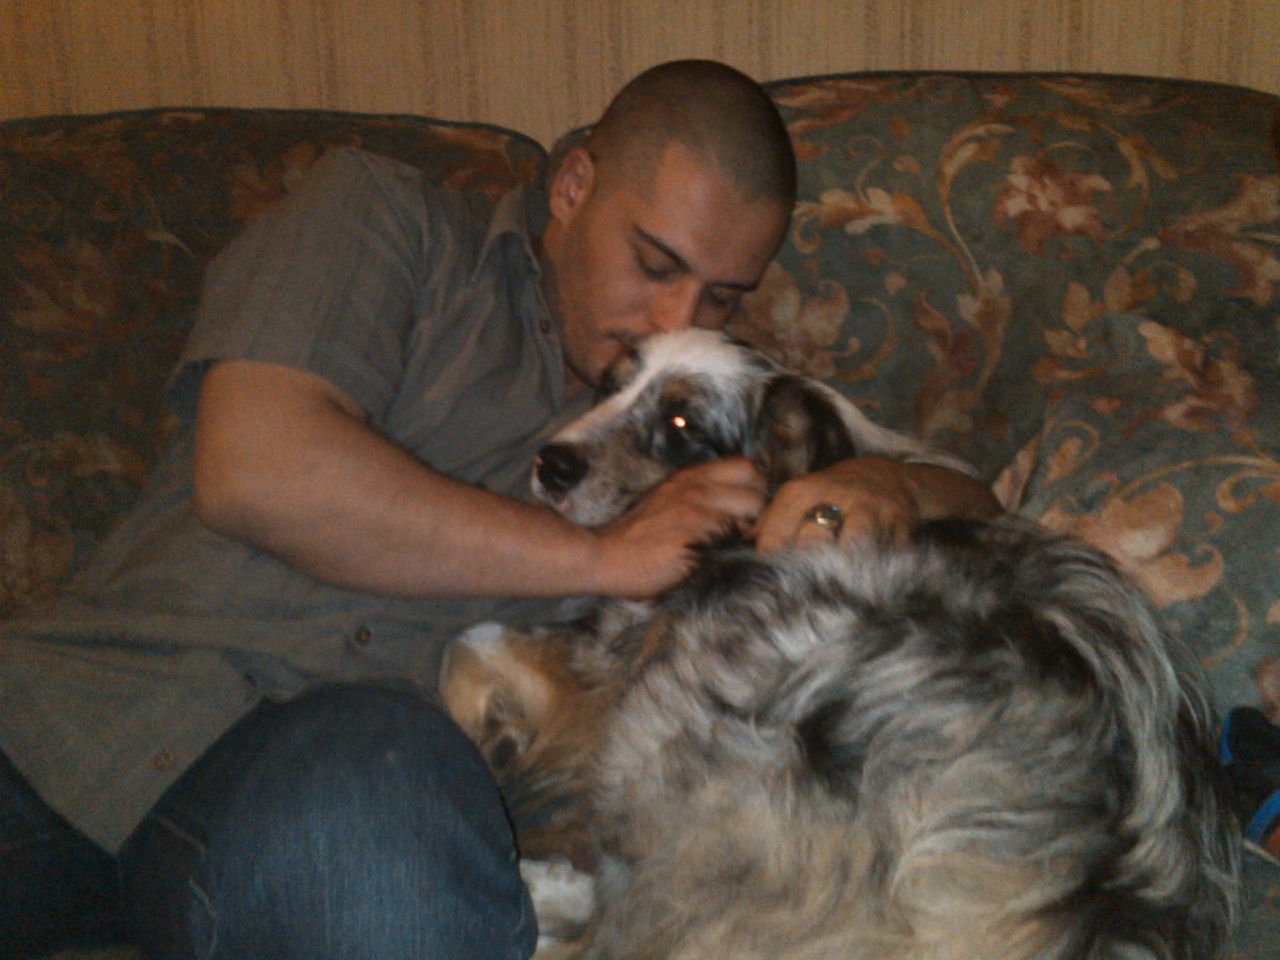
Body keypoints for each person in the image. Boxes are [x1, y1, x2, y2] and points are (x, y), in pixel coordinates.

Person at [0, 61, 999, 959]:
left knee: (380, 817)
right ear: (572, 187)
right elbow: (256, 468)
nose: (674, 320)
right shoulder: (386, 218)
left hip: (336, 777)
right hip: (80, 717)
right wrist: (605, 557)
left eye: (722, 298)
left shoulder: (694, 408)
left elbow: (967, 501)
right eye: (655, 264)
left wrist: (887, 485)